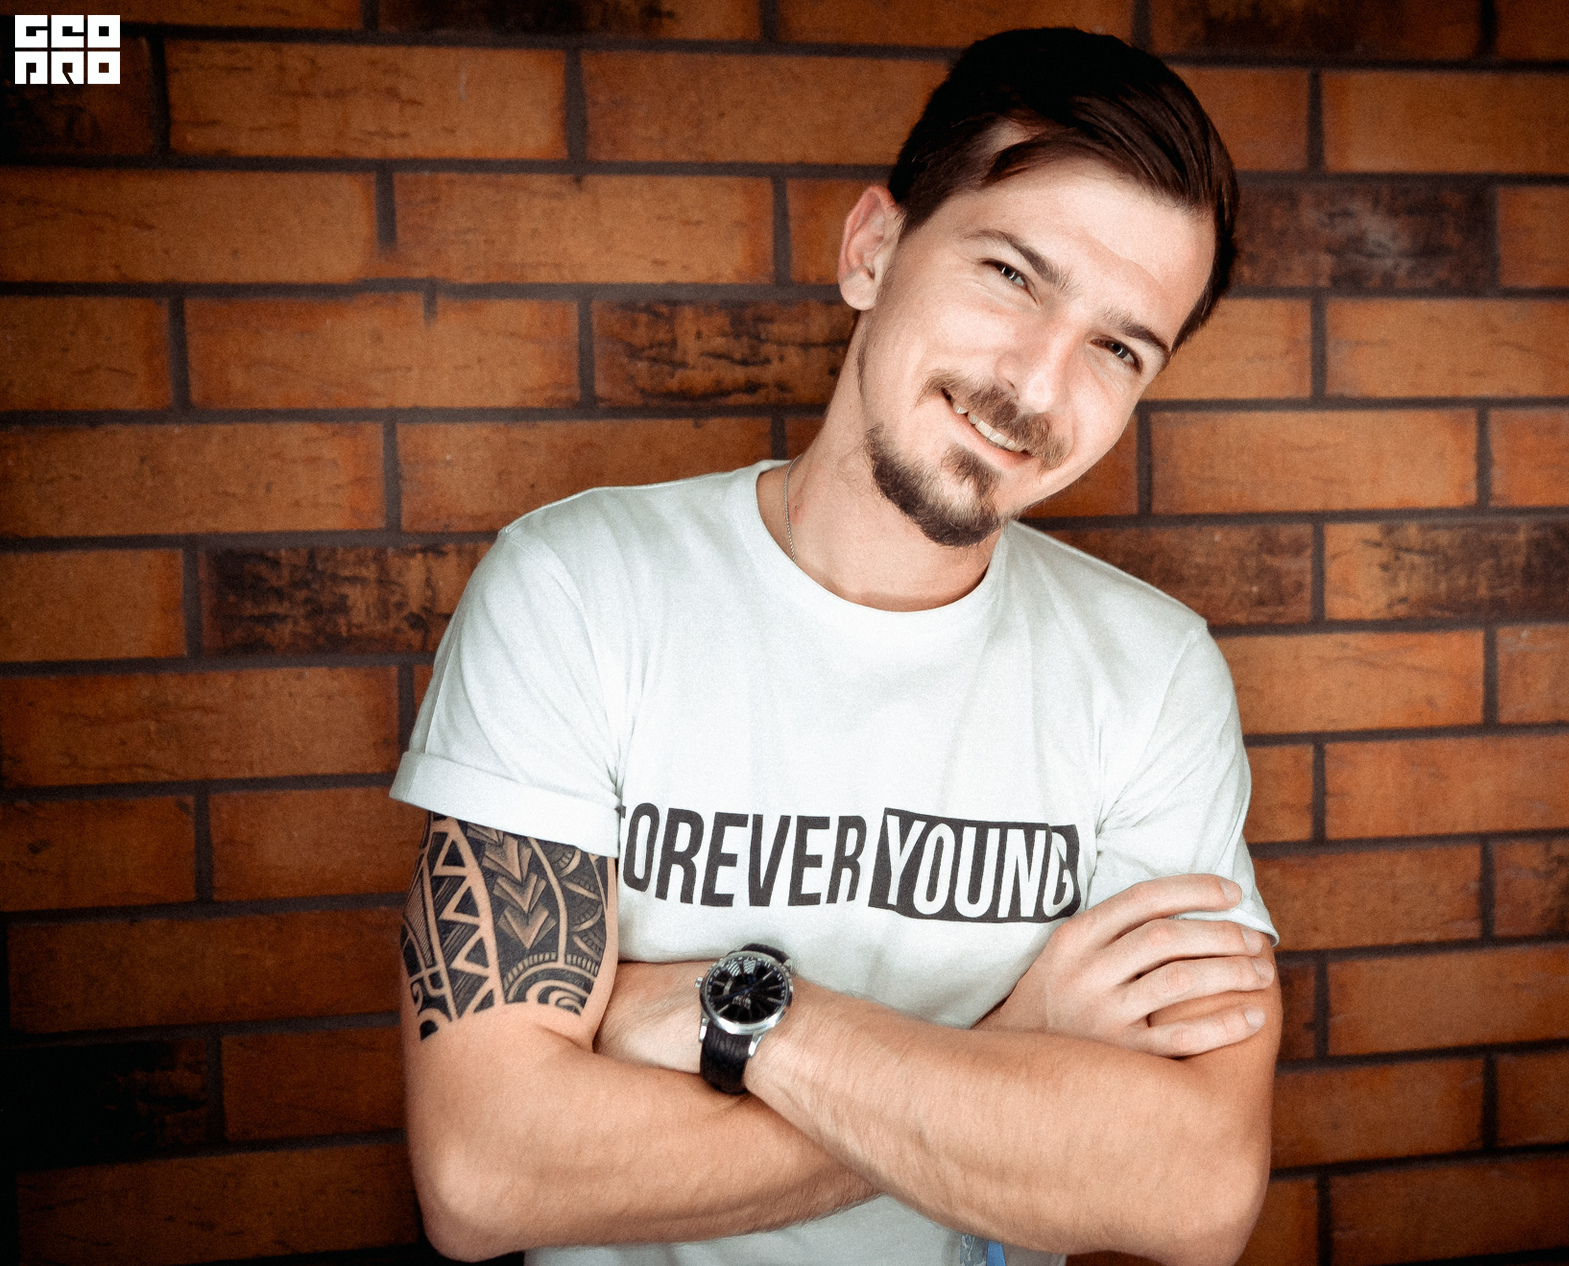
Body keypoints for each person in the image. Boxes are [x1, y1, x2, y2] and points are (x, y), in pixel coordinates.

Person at [391, 27, 1282, 1266]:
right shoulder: (578, 591)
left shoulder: (1153, 673)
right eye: (1011, 275)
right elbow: (487, 1172)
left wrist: (746, 1021)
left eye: (1119, 347)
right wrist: (1011, 1050)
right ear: (872, 250)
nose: (1036, 385)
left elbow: (1194, 1193)